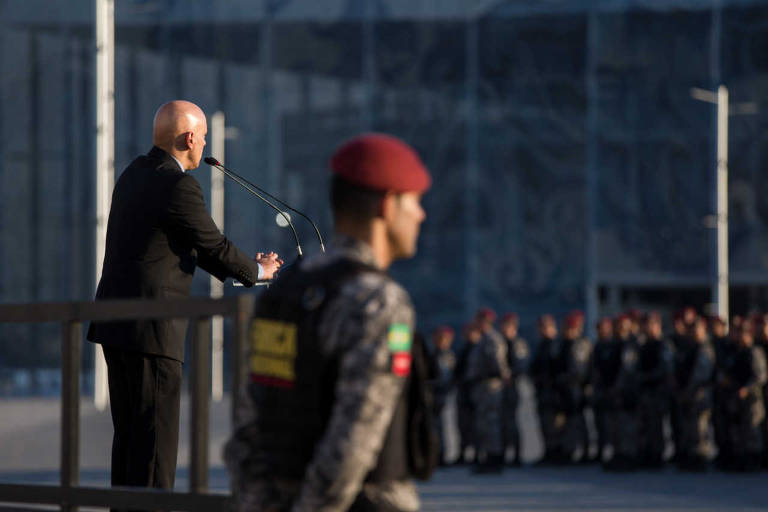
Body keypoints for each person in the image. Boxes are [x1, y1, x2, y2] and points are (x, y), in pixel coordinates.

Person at [224, 133, 432, 512]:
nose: (421, 214)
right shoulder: (377, 301)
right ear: (387, 206)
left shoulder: (283, 291)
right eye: (414, 202)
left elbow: (248, 428)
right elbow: (354, 441)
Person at [87, 100, 281, 495]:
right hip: (152, 332)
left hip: (115, 326)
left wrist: (243, 269)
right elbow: (212, 244)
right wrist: (260, 271)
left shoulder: (133, 174)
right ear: (189, 138)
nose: (205, 144)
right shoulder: (178, 185)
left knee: (129, 444)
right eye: (204, 137)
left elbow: (185, 246)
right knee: (155, 449)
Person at [465, 308, 511, 473]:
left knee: (491, 424)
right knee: (483, 424)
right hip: (482, 387)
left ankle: (494, 458)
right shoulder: (483, 339)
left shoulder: (492, 339)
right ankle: (487, 457)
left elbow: (498, 364)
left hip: (490, 386)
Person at [720, 319, 767, 471]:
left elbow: (760, 375)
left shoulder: (754, 351)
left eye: (743, 333)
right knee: (738, 430)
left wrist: (746, 388)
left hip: (752, 398)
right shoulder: (734, 352)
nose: (739, 336)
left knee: (752, 430)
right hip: (736, 396)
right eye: (737, 333)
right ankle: (741, 459)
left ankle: (754, 460)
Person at [636, 312, 673, 469]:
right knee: (645, 425)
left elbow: (665, 370)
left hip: (658, 391)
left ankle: (657, 455)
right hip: (645, 392)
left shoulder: (663, 345)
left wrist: (646, 377)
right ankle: (647, 454)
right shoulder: (643, 346)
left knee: (657, 425)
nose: (646, 328)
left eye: (650, 324)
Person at [499, 312, 530, 466]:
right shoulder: (500, 342)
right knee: (502, 422)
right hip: (501, 388)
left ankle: (517, 454)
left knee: (512, 421)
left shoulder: (518, 344)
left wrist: (512, 376)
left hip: (513, 387)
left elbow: (522, 365)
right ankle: (504, 452)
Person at [431, 326, 457, 465]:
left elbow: (446, 378)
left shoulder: (446, 356)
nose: (440, 341)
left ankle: (441, 454)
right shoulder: (433, 354)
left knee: (441, 426)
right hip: (432, 394)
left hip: (441, 394)